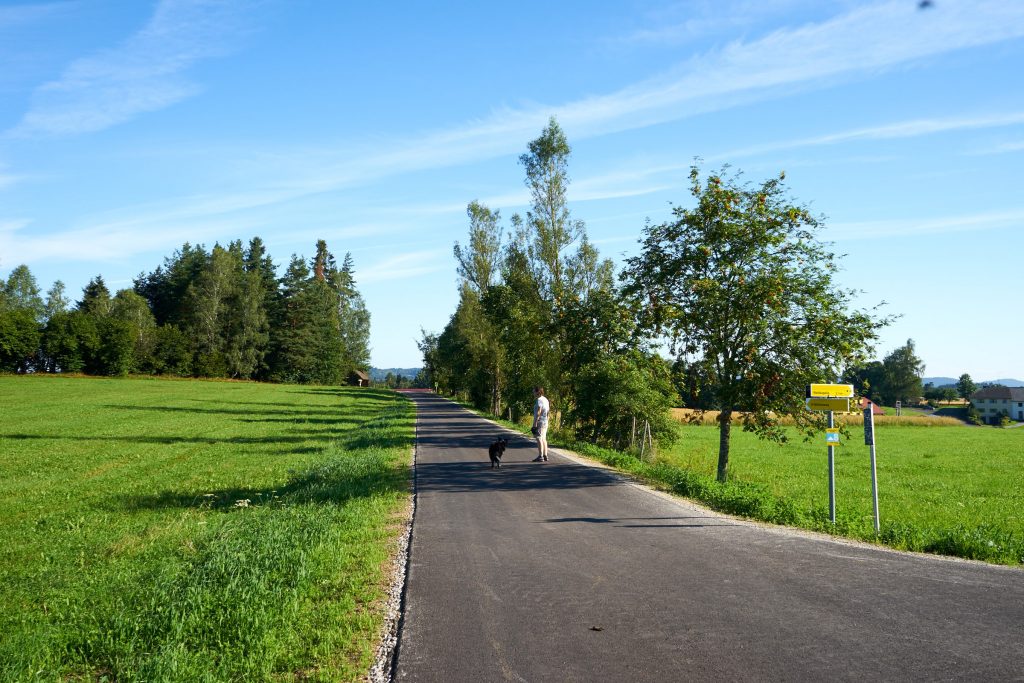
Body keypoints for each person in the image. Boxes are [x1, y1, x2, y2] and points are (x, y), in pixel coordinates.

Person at [531, 386, 550, 462]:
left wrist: (535, 424)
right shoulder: (545, 399)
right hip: (545, 421)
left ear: (537, 392)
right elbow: (548, 411)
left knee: (539, 438)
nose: (533, 393)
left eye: (534, 391)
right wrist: (547, 420)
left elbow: (538, 412)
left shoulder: (539, 400)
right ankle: (545, 455)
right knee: (544, 438)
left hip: (540, 421)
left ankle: (540, 456)